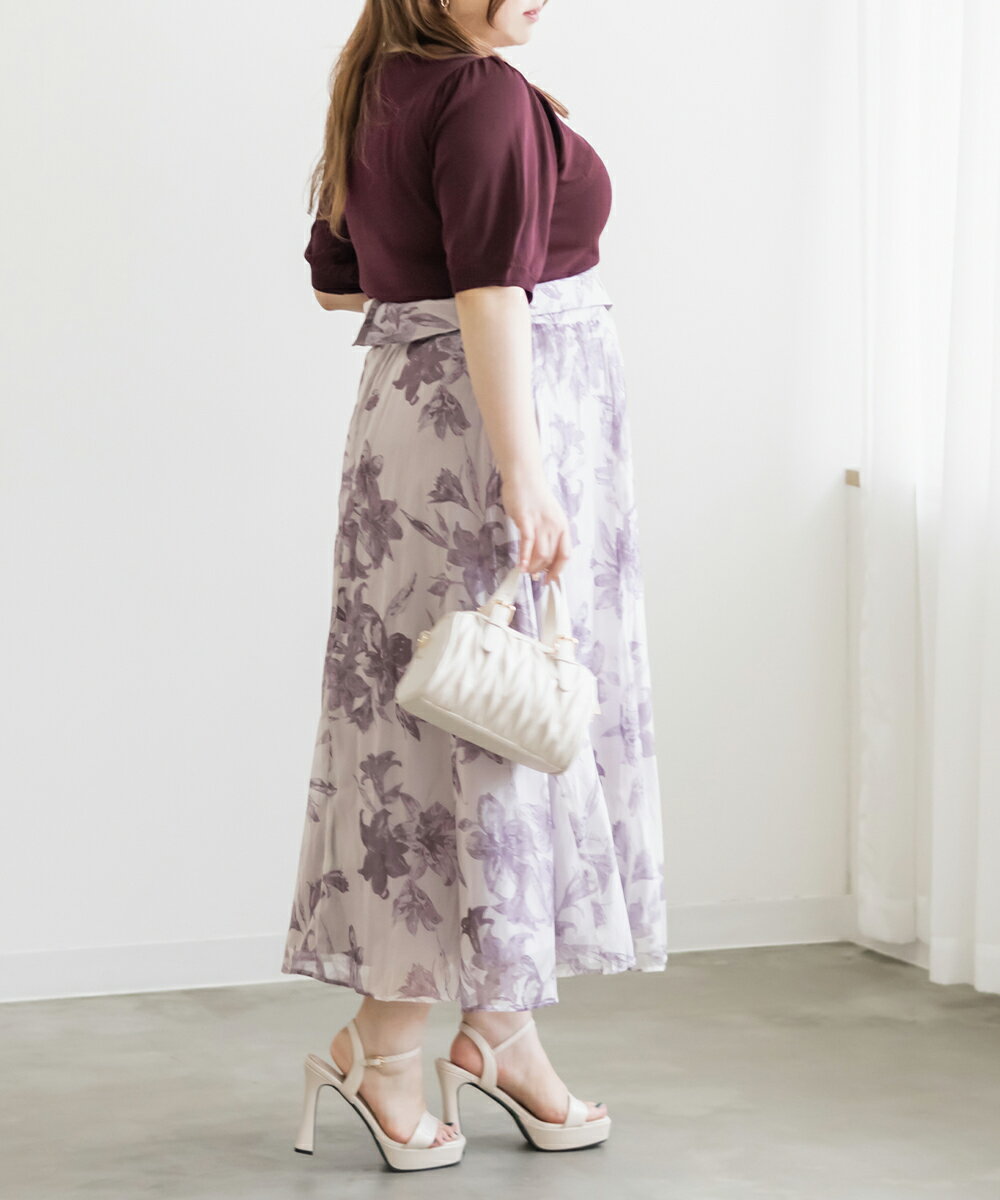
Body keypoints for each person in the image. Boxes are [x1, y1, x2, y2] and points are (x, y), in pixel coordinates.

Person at [282, 0, 668, 1171]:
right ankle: (386, 1047)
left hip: (410, 427)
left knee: (450, 726)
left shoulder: (378, 83)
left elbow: (340, 286)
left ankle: (497, 1030)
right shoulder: (480, 91)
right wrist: (525, 472)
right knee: (492, 726)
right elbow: (492, 293)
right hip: (496, 434)